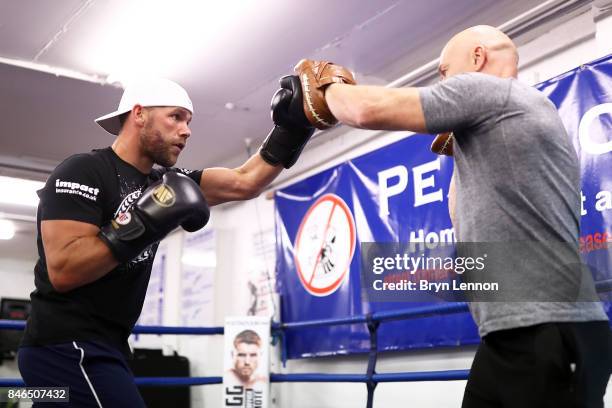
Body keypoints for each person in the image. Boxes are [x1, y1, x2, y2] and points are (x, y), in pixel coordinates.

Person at [280, 26, 611, 407]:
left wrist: (325, 86)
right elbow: (469, 233)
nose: (442, 81)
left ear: (477, 58)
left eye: (442, 71)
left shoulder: (489, 90)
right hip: (521, 334)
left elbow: (364, 109)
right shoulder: (527, 114)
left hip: (545, 330)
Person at [18, 76, 315, 407]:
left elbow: (245, 182)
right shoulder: (82, 171)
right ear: (139, 114)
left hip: (105, 347)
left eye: (188, 121)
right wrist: (144, 221)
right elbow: (63, 270)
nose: (186, 130)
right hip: (64, 347)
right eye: (175, 116)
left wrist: (294, 126)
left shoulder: (166, 183)